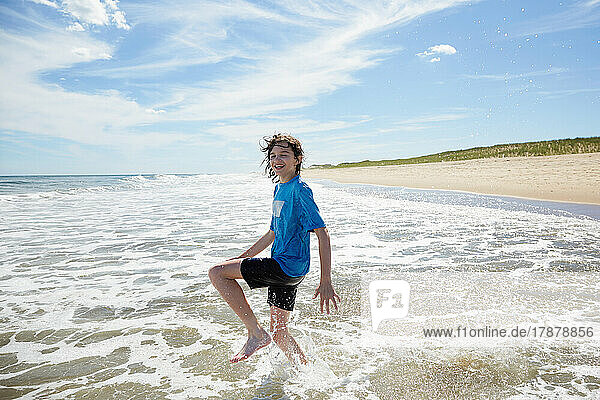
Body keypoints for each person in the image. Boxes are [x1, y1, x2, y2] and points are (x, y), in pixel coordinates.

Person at [208, 133, 340, 365]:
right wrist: (244, 257)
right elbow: (272, 232)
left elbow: (323, 232)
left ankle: (256, 334)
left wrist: (326, 280)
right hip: (289, 271)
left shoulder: (300, 190)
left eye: (284, 155)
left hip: (285, 266)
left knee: (217, 273)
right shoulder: (280, 188)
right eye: (273, 156)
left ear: (298, 159)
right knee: (279, 332)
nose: (277, 159)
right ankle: (306, 374)